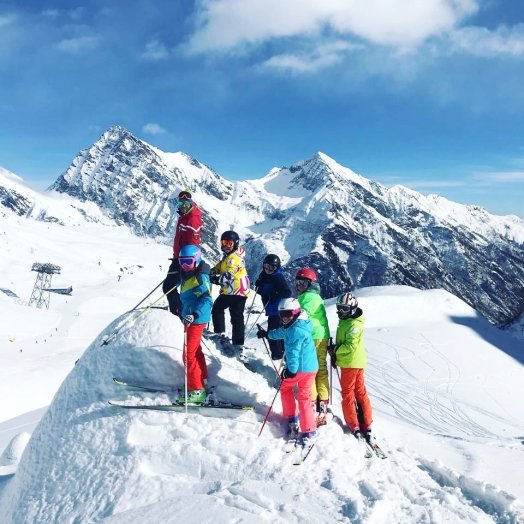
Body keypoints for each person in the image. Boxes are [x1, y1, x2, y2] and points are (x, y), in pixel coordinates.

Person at [257, 298, 318, 444]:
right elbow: (283, 332)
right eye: (281, 314)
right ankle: (309, 430)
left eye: (288, 314)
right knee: (304, 396)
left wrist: (290, 371)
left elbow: (293, 352)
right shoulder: (300, 323)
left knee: (285, 388)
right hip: (311, 367)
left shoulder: (295, 330)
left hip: (300, 368)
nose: (284, 318)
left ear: (296, 312)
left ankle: (291, 416)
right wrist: (268, 334)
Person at [331, 292, 374, 444]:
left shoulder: (353, 324)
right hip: (356, 361)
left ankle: (355, 424)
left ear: (353, 308)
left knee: (348, 393)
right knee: (359, 391)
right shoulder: (349, 320)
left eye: (344, 309)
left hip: (351, 363)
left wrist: (335, 350)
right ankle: (366, 424)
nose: (341, 312)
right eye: (339, 308)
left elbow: (350, 345)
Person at [176, 244, 213, 404]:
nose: (185, 265)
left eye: (188, 262)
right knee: (196, 351)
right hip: (190, 317)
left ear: (196, 260)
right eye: (181, 261)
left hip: (196, 320)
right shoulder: (189, 273)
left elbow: (207, 299)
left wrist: (194, 314)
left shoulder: (199, 278)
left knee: (188, 355)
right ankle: (201, 381)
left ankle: (196, 390)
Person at [295, 268, 330, 425]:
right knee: (321, 369)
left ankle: (312, 402)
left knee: (310, 369)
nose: (299, 286)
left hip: (311, 336)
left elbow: (301, 316)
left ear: (310, 284)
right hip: (322, 336)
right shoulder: (316, 296)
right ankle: (323, 401)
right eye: (297, 283)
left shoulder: (307, 297)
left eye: (302, 283)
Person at [163, 189, 203, 316]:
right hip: (179, 257)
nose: (183, 207)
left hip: (184, 259)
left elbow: (193, 245)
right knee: (172, 286)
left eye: (186, 203)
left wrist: (186, 264)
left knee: (169, 286)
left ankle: (178, 313)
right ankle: (180, 311)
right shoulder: (185, 216)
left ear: (192, 203)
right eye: (181, 204)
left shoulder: (192, 220)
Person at [210, 231, 251, 353]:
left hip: (234, 290)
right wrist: (212, 271)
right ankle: (238, 344)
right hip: (241, 292)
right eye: (224, 242)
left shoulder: (234, 259)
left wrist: (215, 279)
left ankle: (219, 333)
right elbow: (220, 266)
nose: (226, 245)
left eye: (229, 243)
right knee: (237, 317)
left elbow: (228, 275)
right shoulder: (231, 256)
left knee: (217, 308)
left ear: (235, 244)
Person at [254, 254, 292, 360]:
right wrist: (259, 285)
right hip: (271, 309)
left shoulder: (278, 278)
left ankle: (277, 355)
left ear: (276, 268)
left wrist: (275, 294)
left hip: (278, 311)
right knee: (276, 333)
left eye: (271, 268)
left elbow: (287, 292)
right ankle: (283, 354)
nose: (267, 269)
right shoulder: (265, 275)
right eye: (266, 266)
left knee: (272, 333)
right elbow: (264, 291)